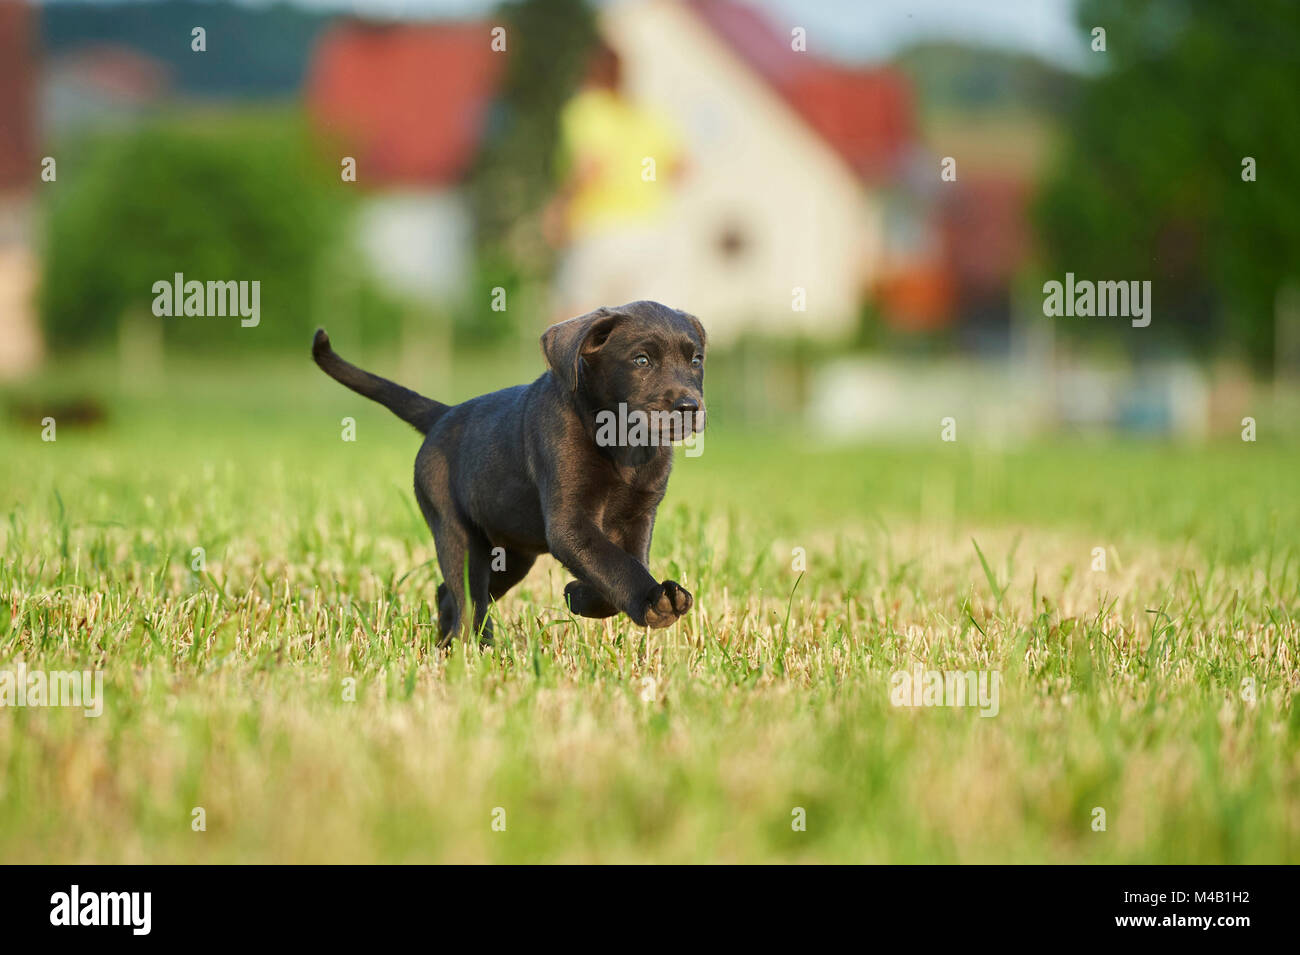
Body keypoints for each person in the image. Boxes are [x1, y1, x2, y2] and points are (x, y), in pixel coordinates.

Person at [547, 41, 685, 317]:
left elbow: (590, 167)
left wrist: (559, 208)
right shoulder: (646, 114)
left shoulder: (587, 108)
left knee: (575, 324)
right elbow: (680, 167)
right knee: (641, 331)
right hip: (650, 230)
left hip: (601, 228)